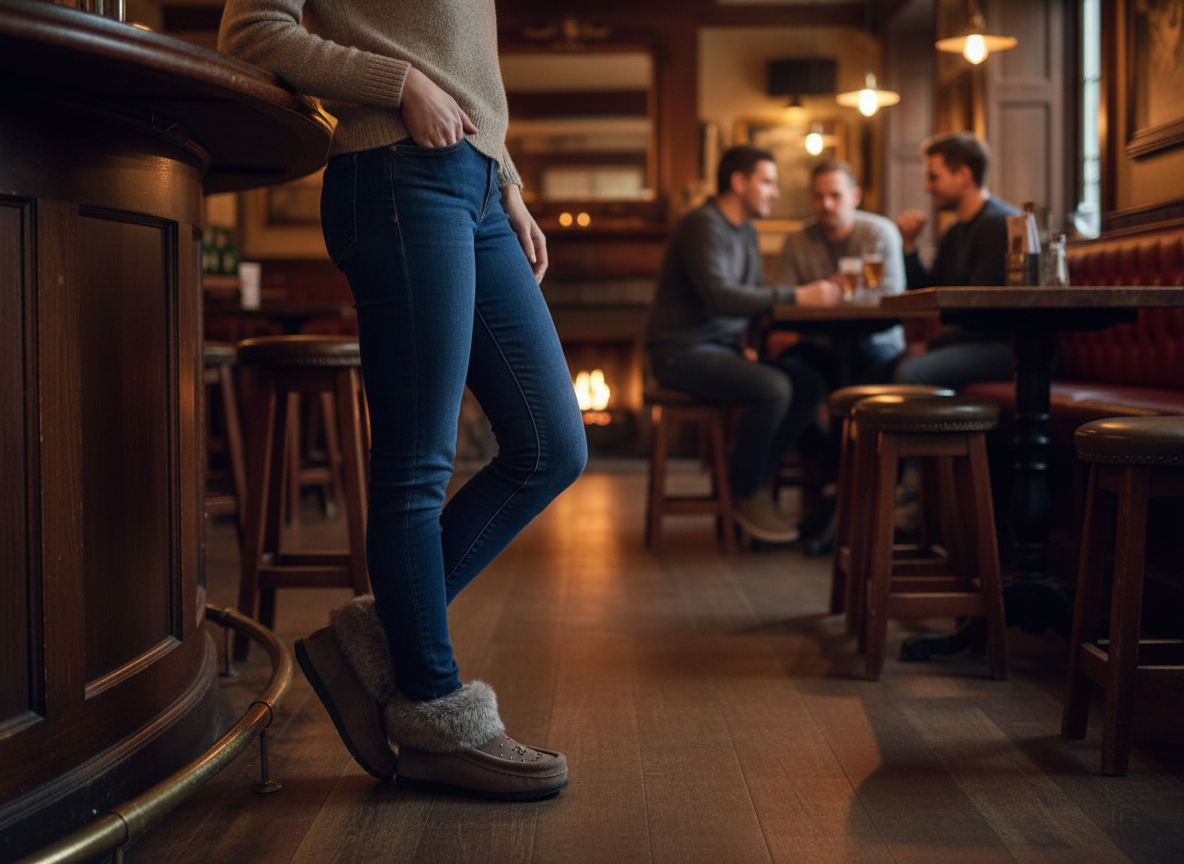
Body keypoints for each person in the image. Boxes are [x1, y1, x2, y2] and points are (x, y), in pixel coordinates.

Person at [219, 0, 586, 801]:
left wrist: (510, 182)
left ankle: (376, 636)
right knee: (418, 462)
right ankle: (431, 712)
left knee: (552, 444)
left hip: (480, 185)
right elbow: (253, 32)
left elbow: (471, 71)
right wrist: (399, 81)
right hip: (395, 173)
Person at [646, 145, 841, 544]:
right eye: (767, 182)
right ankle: (746, 490)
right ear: (739, 182)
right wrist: (799, 296)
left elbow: (751, 297)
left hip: (721, 349)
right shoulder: (703, 224)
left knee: (809, 386)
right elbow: (721, 296)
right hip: (679, 352)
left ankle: (748, 480)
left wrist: (754, 341)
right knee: (773, 387)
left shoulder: (746, 230)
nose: (774, 192)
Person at [893, 132, 1020, 390]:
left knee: (911, 373)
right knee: (878, 369)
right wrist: (909, 245)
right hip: (971, 342)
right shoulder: (954, 231)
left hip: (1008, 348)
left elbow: (984, 318)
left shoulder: (998, 225)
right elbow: (928, 292)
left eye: (933, 177)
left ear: (964, 175)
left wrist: (928, 346)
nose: (926, 187)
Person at [778, 160, 906, 387]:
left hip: (875, 342)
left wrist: (835, 293)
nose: (826, 204)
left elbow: (893, 296)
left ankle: (852, 421)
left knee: (879, 377)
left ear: (855, 196)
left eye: (835, 196)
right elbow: (782, 296)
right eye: (819, 196)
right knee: (789, 375)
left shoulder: (879, 233)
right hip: (818, 343)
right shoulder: (796, 241)